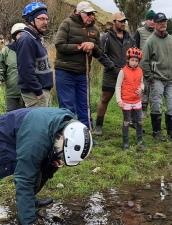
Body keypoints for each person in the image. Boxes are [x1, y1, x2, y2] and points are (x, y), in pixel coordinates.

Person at [0, 107, 93, 225]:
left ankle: (29, 203)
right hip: (4, 134)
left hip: (28, 129)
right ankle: (23, 224)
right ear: (62, 138)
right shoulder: (35, 143)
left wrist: (52, 157)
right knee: (30, 174)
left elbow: (49, 143)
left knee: (47, 165)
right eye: (62, 151)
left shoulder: (68, 123)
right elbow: (24, 178)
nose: (61, 154)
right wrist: (28, 223)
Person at [54, 1, 102, 131]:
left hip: (83, 72)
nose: (91, 16)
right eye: (88, 14)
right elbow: (59, 45)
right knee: (67, 106)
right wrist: (81, 47)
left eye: (92, 14)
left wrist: (94, 47)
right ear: (78, 12)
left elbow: (100, 52)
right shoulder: (67, 24)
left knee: (85, 105)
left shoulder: (94, 29)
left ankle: (86, 134)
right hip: (65, 71)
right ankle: (69, 135)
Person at [141, 12, 172, 142]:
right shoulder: (150, 41)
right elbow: (144, 62)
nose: (163, 23)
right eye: (160, 22)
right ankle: (157, 131)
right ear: (155, 24)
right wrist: (150, 78)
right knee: (156, 104)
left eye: (164, 21)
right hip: (157, 79)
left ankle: (171, 130)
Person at [94, 11, 135, 136]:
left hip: (127, 74)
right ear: (114, 22)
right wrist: (112, 66)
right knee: (105, 99)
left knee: (129, 100)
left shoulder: (130, 39)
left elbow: (134, 55)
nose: (123, 23)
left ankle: (128, 124)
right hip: (111, 74)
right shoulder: (105, 37)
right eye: (120, 21)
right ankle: (98, 125)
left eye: (124, 21)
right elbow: (100, 54)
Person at [16, 2, 53, 108]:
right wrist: (38, 91)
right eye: (41, 19)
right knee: (38, 124)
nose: (45, 22)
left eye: (46, 19)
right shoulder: (26, 40)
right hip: (35, 94)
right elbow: (25, 70)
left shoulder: (35, 39)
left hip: (43, 91)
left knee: (45, 123)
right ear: (31, 20)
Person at [115, 47, 145, 150]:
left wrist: (141, 88)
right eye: (132, 60)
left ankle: (140, 140)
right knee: (126, 122)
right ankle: (125, 142)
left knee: (139, 121)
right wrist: (119, 100)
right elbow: (118, 86)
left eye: (136, 61)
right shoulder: (123, 71)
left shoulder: (140, 71)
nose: (134, 63)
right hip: (126, 101)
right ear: (128, 60)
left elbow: (142, 82)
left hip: (137, 100)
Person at [0, 23, 26, 112]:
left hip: (29, 89)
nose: (23, 36)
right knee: (11, 113)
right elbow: (0, 65)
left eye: (25, 34)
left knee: (28, 113)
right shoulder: (7, 50)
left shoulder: (31, 48)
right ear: (15, 36)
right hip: (12, 88)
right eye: (20, 34)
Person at [134, 9, 156, 119]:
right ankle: (142, 111)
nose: (152, 22)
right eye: (149, 19)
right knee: (143, 89)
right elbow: (135, 49)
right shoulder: (139, 32)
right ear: (146, 20)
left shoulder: (159, 32)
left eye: (153, 19)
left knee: (154, 90)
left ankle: (154, 111)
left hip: (157, 67)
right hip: (143, 66)